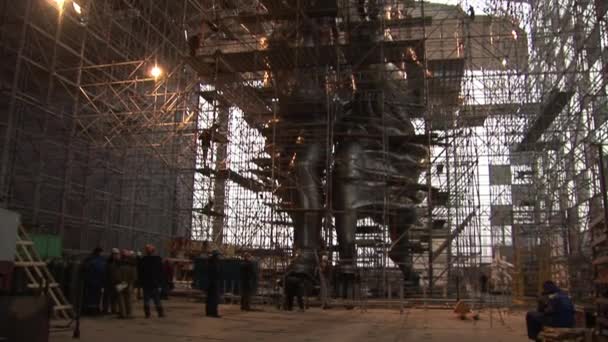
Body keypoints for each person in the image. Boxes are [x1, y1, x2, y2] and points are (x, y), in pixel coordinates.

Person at [139, 244, 165, 318]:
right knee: (157, 299)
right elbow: (161, 272)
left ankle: (147, 314)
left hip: (146, 283)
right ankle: (160, 313)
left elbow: (141, 272)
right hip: (155, 283)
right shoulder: (157, 259)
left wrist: (141, 282)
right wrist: (161, 283)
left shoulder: (143, 260)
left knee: (147, 299)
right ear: (154, 251)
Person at [81, 247, 106, 315]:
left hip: (91, 281)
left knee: (90, 297)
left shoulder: (89, 259)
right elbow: (104, 271)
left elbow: (84, 269)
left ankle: (89, 310)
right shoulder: (101, 260)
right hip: (97, 282)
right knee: (95, 297)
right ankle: (94, 310)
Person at [116, 250, 137, 319]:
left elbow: (117, 275)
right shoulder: (132, 265)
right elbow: (134, 276)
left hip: (121, 283)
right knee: (128, 299)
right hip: (129, 283)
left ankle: (122, 313)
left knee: (121, 298)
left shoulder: (119, 265)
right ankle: (129, 313)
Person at [102, 248, 120, 314]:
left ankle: (113, 309)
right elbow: (105, 272)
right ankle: (105, 309)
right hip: (108, 281)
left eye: (117, 254)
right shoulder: (108, 262)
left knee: (115, 297)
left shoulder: (119, 262)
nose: (116, 255)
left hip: (116, 282)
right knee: (107, 296)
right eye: (115, 254)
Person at [206, 250, 221, 317]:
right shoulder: (215, 263)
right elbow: (217, 272)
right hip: (214, 282)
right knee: (214, 299)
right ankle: (214, 313)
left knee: (209, 298)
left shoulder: (209, 262)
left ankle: (208, 312)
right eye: (218, 255)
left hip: (209, 282)